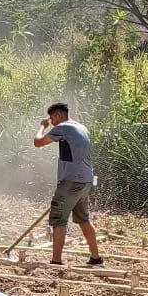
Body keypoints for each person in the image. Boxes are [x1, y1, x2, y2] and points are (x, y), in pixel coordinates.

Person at [33, 102, 102, 266]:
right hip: (85, 181)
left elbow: (38, 142)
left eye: (52, 119)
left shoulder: (63, 127)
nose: (52, 123)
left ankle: (56, 261)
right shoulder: (82, 127)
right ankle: (96, 258)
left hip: (71, 181)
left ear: (58, 115)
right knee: (83, 220)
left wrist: (42, 126)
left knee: (58, 220)